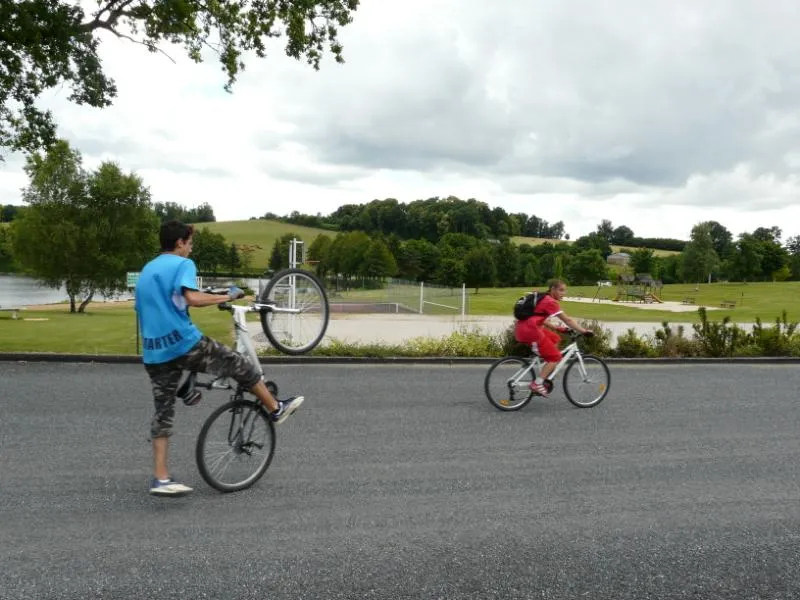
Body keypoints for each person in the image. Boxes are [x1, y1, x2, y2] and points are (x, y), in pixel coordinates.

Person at [135, 219, 304, 497]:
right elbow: (191, 298)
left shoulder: (148, 269)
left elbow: (163, 303)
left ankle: (161, 478)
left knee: (163, 414)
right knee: (242, 366)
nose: (191, 249)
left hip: (154, 352)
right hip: (183, 344)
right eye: (190, 243)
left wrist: (212, 294)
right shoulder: (182, 264)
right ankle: (275, 408)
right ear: (180, 242)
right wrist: (225, 295)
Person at [514, 279, 593, 396]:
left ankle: (547, 367)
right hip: (532, 332)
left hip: (525, 328)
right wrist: (584, 331)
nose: (563, 293)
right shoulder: (550, 301)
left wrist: (557, 328)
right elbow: (567, 320)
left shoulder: (543, 298)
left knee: (555, 338)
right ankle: (537, 383)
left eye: (565, 291)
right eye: (561, 290)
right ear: (553, 289)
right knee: (555, 358)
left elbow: (540, 318)